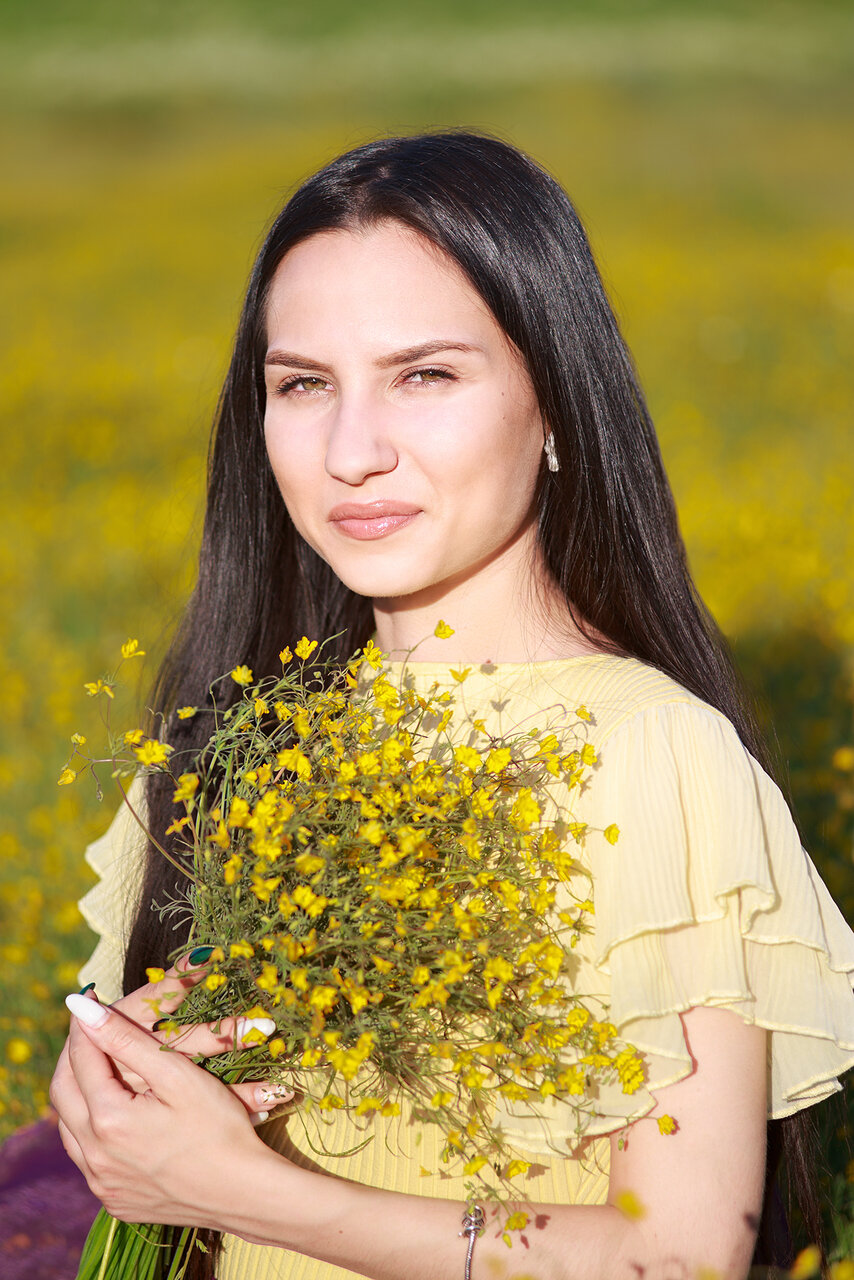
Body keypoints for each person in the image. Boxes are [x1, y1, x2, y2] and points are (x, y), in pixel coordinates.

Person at [50, 130, 854, 1280]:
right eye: (302, 385)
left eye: (424, 375)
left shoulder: (650, 753)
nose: (352, 451)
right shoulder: (231, 744)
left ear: (556, 405)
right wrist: (111, 1098)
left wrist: (250, 1192)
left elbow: (676, 1256)